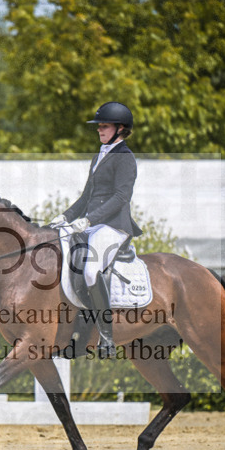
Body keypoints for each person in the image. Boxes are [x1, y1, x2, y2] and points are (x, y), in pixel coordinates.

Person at [49, 101, 142, 357]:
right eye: (99, 126)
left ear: (120, 129)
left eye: (104, 126)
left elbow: (121, 197)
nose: (99, 130)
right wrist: (64, 216)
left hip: (114, 226)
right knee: (65, 258)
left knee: (90, 269)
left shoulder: (126, 158)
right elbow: (86, 195)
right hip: (93, 223)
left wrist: (89, 220)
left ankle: (106, 337)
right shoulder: (99, 154)